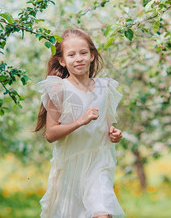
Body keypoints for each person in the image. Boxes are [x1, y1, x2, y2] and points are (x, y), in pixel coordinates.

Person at [35, 29, 125, 218]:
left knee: (102, 211)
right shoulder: (59, 89)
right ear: (62, 60)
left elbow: (106, 126)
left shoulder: (105, 88)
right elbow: (51, 134)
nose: (79, 58)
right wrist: (80, 121)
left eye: (83, 53)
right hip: (71, 168)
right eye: (71, 54)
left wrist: (114, 134)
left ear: (92, 55)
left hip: (99, 164)